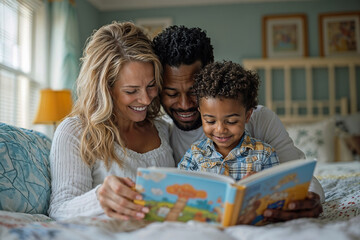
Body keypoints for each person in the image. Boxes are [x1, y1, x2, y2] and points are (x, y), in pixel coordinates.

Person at [153, 25, 323, 222]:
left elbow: (302, 179)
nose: (184, 104)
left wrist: (308, 200)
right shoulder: (160, 134)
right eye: (171, 93)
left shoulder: (260, 119)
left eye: (193, 91)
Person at [48, 22, 175, 220]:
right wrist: (99, 197)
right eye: (131, 91)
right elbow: (60, 209)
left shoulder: (163, 128)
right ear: (105, 89)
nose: (146, 99)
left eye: (151, 85)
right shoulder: (75, 132)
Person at [179, 61, 280, 181]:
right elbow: (178, 189)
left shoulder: (264, 155)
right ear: (201, 115)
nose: (220, 129)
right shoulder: (195, 154)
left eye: (231, 121)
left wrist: (261, 186)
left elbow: (278, 193)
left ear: (247, 116)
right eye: (210, 121)